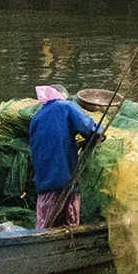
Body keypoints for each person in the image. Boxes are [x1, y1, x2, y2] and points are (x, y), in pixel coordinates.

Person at [28, 84, 99, 228]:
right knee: (69, 220)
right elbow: (87, 126)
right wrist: (99, 133)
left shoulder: (37, 117)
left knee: (45, 222)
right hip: (64, 175)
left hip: (44, 180)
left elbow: (52, 141)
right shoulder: (66, 106)